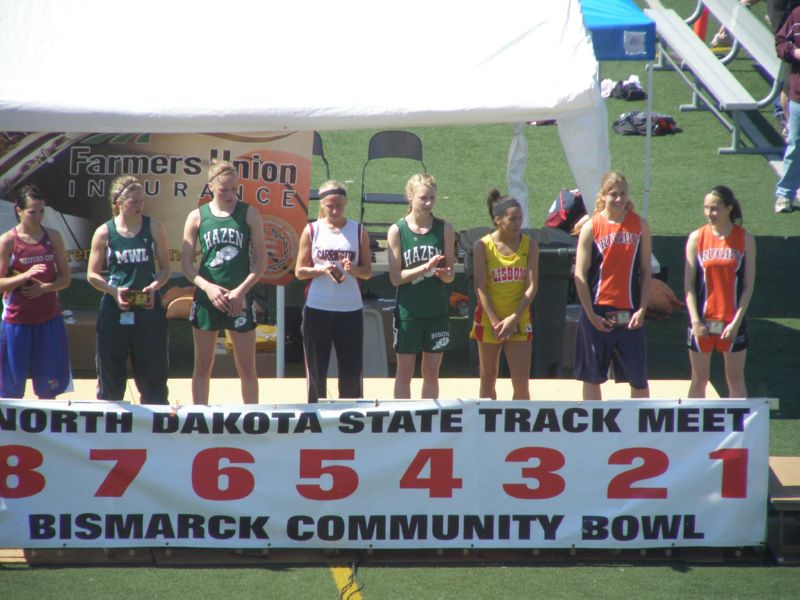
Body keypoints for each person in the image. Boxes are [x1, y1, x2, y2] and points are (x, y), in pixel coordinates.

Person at [181, 159, 267, 405]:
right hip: (208, 298)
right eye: (223, 190)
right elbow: (186, 265)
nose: (230, 195)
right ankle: (199, 416)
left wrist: (241, 291)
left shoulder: (249, 213)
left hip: (239, 298)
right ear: (210, 188)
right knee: (202, 366)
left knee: (247, 367)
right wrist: (207, 287)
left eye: (233, 189)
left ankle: (252, 417)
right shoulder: (197, 216)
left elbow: (260, 263)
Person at [87, 176, 170, 404]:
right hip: (114, 310)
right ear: (118, 202)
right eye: (133, 201)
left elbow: (165, 269)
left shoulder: (154, 227)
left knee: (153, 375)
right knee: (111, 373)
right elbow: (92, 275)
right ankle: (109, 426)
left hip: (148, 309)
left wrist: (154, 286)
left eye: (141, 201)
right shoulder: (104, 232)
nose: (139, 206)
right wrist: (114, 291)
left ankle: (155, 427)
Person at [573, 171, 652, 401]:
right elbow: (579, 274)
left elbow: (646, 271)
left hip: (630, 314)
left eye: (623, 194)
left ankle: (638, 431)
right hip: (597, 312)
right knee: (592, 377)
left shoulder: (639, 226)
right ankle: (592, 429)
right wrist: (590, 315)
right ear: (603, 195)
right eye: (613, 194)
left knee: (638, 378)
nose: (619, 199)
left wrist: (642, 309)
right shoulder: (592, 226)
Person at [295, 181, 372, 403]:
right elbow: (299, 271)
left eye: (339, 205)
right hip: (318, 308)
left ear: (346, 203)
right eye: (330, 206)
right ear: (322, 205)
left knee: (351, 369)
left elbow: (367, 272)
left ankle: (351, 415)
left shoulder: (358, 231)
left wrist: (353, 269)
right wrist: (321, 269)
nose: (335, 210)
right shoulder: (312, 230)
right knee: (316, 369)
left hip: (350, 308)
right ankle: (315, 415)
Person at [387, 173, 455, 399]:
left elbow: (450, 276)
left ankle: (430, 423)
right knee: (404, 373)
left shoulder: (444, 228)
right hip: (409, 313)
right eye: (423, 198)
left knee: (431, 373)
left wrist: (442, 273)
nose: (428, 204)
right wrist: (425, 268)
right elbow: (396, 278)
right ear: (410, 196)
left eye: (432, 199)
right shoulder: (397, 230)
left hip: (437, 311)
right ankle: (402, 423)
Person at [0, 185, 72, 398]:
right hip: (17, 322)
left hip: (49, 320)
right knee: (10, 391)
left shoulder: (54, 237)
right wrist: (25, 275)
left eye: (42, 211)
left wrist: (45, 288)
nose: (38, 216)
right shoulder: (8, 241)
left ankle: (47, 431)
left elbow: (66, 279)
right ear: (19, 211)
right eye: (32, 212)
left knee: (48, 389)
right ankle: (8, 431)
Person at [684, 186, 756, 398]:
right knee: (699, 379)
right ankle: (693, 429)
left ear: (729, 208)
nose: (709, 213)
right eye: (706, 208)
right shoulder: (696, 238)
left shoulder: (745, 239)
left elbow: (748, 285)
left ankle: (740, 431)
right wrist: (695, 320)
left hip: (732, 323)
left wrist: (736, 323)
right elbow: (688, 285)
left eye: (714, 208)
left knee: (734, 380)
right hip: (702, 322)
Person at [470, 190, 538, 400]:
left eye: (520, 217)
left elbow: (532, 287)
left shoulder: (530, 245)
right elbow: (480, 286)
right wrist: (495, 321)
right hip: (489, 320)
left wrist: (513, 319)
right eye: (512, 219)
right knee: (488, 378)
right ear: (497, 220)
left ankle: (520, 430)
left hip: (518, 318)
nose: (518, 223)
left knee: (521, 383)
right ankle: (486, 428)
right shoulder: (482, 246)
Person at [774, 2, 800, 212]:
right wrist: (795, 53)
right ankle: (785, 194)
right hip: (799, 96)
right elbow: (781, 43)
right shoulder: (797, 15)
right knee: (795, 145)